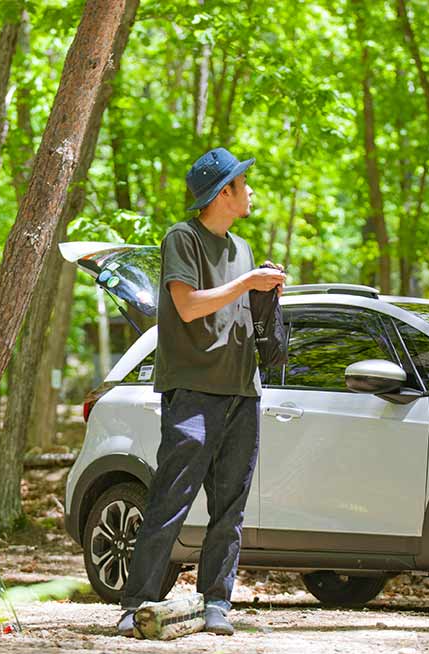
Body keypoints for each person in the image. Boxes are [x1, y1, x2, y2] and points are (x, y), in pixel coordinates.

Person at [117, 147, 286, 637]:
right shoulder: (182, 239)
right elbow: (188, 306)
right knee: (171, 497)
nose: (250, 190)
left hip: (242, 393)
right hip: (192, 391)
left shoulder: (243, 248)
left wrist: (265, 291)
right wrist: (247, 281)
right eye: (243, 182)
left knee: (229, 508)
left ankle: (217, 601)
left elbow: (243, 314)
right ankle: (137, 602)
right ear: (222, 192)